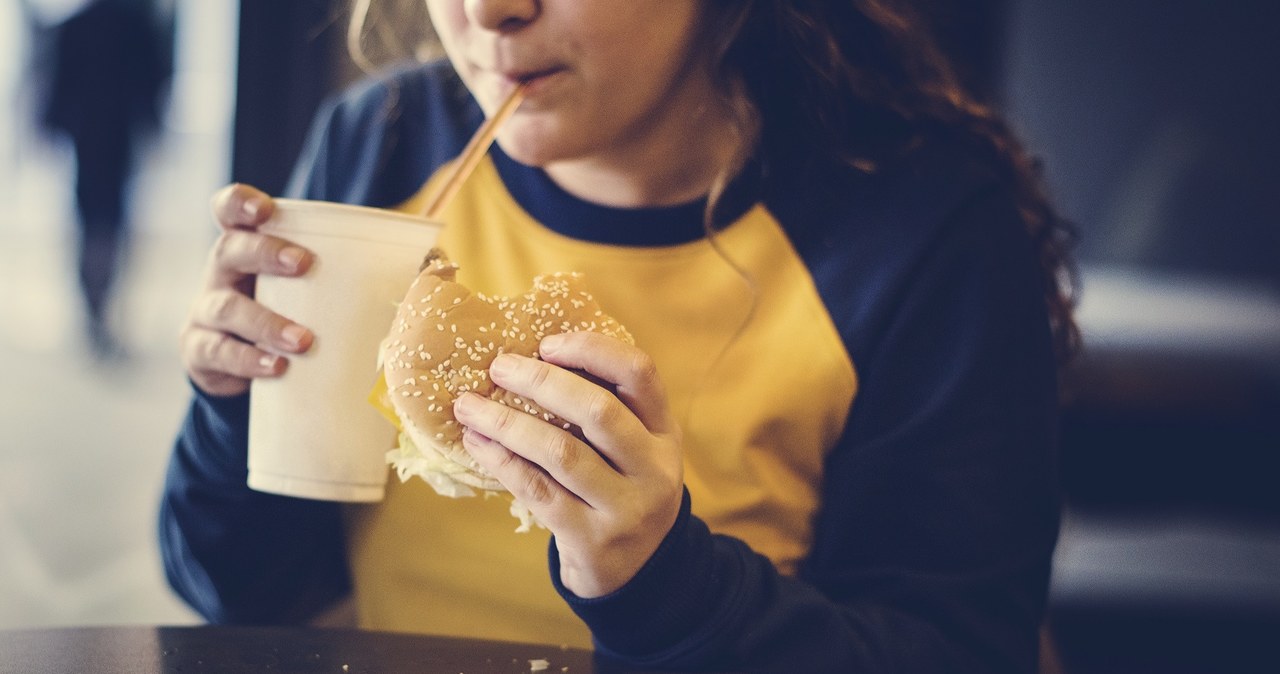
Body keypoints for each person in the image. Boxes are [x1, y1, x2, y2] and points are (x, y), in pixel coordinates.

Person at [160, 1, 1078, 671]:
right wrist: (235, 408)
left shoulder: (926, 232)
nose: (490, 12)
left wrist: (661, 583)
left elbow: (958, 649)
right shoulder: (381, 141)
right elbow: (237, 592)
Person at [34, 0, 171, 357]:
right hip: (115, 137)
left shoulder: (81, 24)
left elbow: (57, 83)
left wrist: (51, 125)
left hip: (90, 136)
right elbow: (154, 80)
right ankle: (99, 302)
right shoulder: (134, 23)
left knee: (93, 221)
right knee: (108, 222)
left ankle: (95, 303)